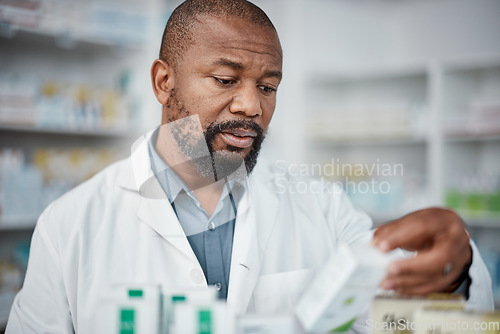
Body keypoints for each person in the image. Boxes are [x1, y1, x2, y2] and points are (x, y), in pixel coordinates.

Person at [6, 0, 493, 333]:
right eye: (225, 79)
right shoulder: (70, 225)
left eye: (267, 86)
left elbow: (395, 321)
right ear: (163, 82)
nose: (250, 106)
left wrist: (456, 271)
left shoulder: (319, 205)